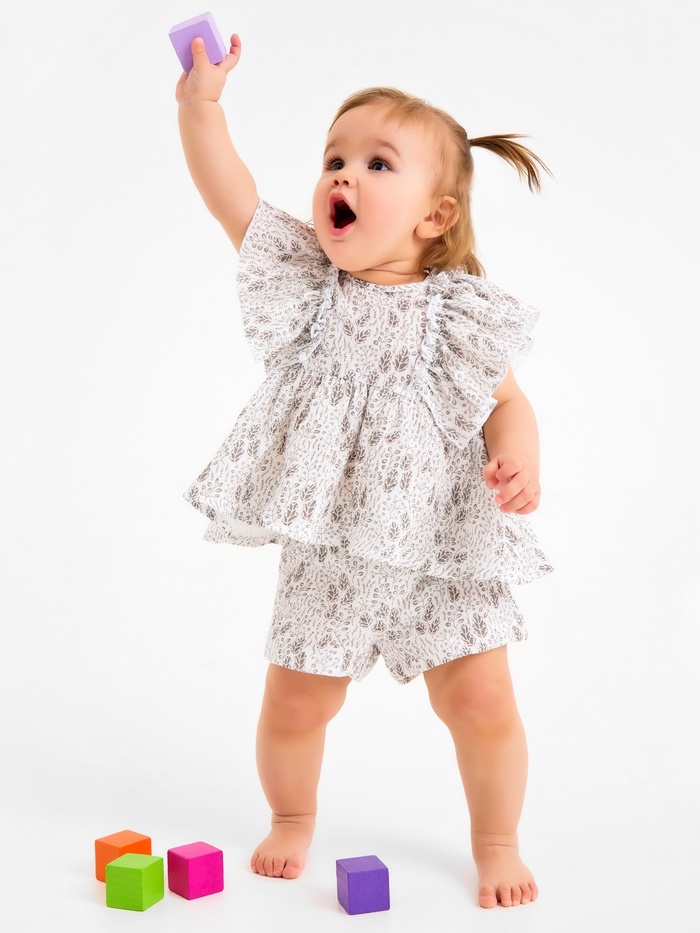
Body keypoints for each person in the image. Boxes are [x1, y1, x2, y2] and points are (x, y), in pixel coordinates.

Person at [176, 32, 553, 910]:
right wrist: (201, 107)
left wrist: (518, 453)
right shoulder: (309, 288)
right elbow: (232, 197)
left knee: (483, 702)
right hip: (333, 551)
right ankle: (291, 815)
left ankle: (497, 839)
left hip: (444, 547)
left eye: (376, 164)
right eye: (333, 160)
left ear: (435, 217)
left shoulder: (460, 314)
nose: (342, 176)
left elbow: (507, 401)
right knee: (296, 703)